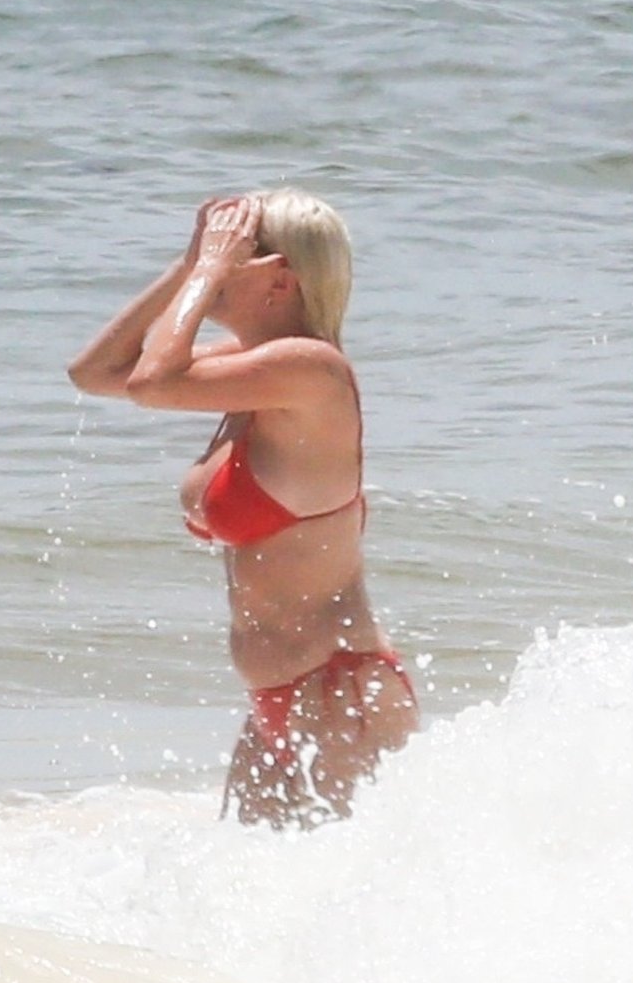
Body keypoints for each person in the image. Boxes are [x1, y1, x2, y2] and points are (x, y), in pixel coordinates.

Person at [68, 190, 415, 829]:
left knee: (341, 887)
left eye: (237, 248)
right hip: (275, 701)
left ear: (280, 276)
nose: (219, 255)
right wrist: (188, 264)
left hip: (340, 691)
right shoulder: (248, 369)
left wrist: (207, 271)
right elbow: (95, 372)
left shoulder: (311, 370)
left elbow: (152, 384)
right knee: (239, 885)